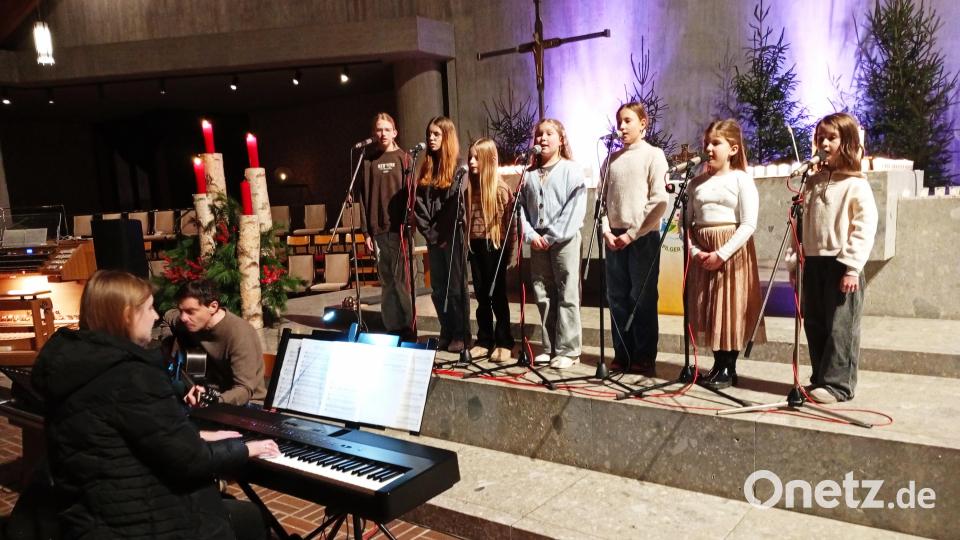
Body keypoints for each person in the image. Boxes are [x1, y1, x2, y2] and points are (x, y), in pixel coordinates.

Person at [32, 270, 280, 539]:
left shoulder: (73, 364)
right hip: (136, 521)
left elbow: (123, 434)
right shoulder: (132, 376)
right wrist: (245, 448)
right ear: (128, 315)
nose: (157, 317)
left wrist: (197, 433)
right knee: (248, 517)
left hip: (90, 512)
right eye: (150, 308)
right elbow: (190, 459)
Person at [793, 112, 877, 403]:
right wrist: (797, 260)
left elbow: (864, 226)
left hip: (841, 263)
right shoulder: (813, 181)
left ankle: (838, 385)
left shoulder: (856, 184)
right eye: (820, 138)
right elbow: (803, 224)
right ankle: (820, 378)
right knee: (815, 322)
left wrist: (852, 266)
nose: (824, 143)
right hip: (814, 261)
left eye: (831, 138)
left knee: (840, 326)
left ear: (847, 142)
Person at [685, 119, 766, 388]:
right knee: (708, 307)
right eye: (707, 143)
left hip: (731, 253)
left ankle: (728, 367)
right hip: (703, 252)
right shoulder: (695, 183)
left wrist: (721, 253)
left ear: (732, 149)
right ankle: (717, 364)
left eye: (716, 143)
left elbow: (748, 223)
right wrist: (695, 251)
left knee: (728, 306)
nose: (709, 148)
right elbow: (687, 224)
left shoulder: (741, 179)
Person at [601, 102, 669, 376]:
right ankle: (622, 353)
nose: (622, 127)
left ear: (643, 123)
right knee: (617, 296)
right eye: (619, 122)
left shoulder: (654, 155)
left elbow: (659, 201)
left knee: (641, 297)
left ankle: (643, 356)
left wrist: (631, 234)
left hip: (642, 236)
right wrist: (606, 230)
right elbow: (601, 202)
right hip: (614, 237)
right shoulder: (611, 160)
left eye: (628, 121)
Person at [519, 118, 587, 369]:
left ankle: (569, 349)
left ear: (561, 140)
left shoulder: (571, 169)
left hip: (564, 239)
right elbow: (521, 211)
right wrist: (529, 234)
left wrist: (551, 236)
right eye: (539, 135)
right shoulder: (529, 175)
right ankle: (550, 346)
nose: (543, 139)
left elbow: (575, 208)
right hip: (537, 240)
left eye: (549, 134)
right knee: (543, 293)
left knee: (567, 291)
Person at [414, 115, 470, 353]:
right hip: (434, 238)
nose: (431, 138)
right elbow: (419, 204)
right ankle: (446, 330)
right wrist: (429, 232)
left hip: (452, 236)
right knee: (437, 287)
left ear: (446, 137)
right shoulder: (426, 166)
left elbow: (454, 207)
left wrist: (441, 233)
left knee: (455, 287)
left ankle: (462, 334)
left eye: (436, 134)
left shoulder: (459, 168)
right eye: (429, 134)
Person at [164, 279, 267, 407]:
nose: (183, 318)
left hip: (245, 404)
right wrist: (171, 347)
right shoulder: (187, 321)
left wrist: (214, 401)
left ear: (213, 307)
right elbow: (167, 316)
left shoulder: (239, 334)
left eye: (190, 312)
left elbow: (244, 390)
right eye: (181, 311)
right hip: (207, 391)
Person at [360, 112, 416, 341]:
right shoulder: (369, 161)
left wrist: (410, 225)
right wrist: (366, 231)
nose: (382, 133)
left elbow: (412, 196)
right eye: (378, 129)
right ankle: (392, 326)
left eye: (386, 129)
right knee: (387, 281)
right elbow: (363, 198)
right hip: (378, 229)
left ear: (395, 132)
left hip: (399, 229)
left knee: (402, 281)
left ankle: (408, 325)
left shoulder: (405, 158)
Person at [466, 138, 516, 363]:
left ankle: (504, 340)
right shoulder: (470, 187)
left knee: (497, 296)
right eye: (470, 157)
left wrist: (511, 254)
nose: (472, 162)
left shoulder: (501, 189)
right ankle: (484, 339)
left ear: (490, 160)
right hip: (476, 245)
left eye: (477, 157)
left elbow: (513, 225)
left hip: (494, 245)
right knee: (481, 296)